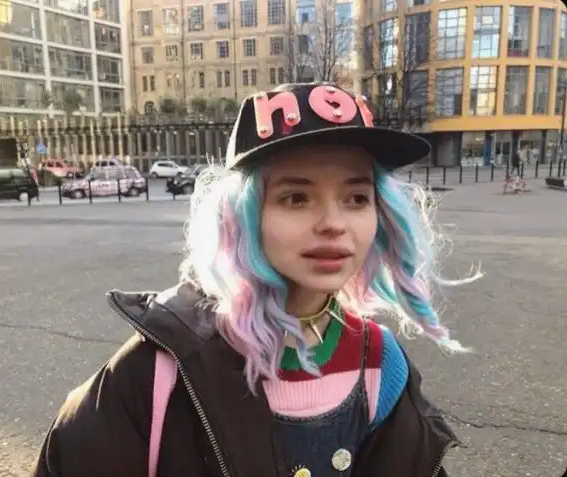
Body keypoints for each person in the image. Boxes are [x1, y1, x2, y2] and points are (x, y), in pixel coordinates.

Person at [30, 83, 482, 477]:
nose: (333, 223)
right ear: (242, 217)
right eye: (296, 197)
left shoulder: (380, 363)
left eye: (356, 197)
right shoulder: (161, 367)